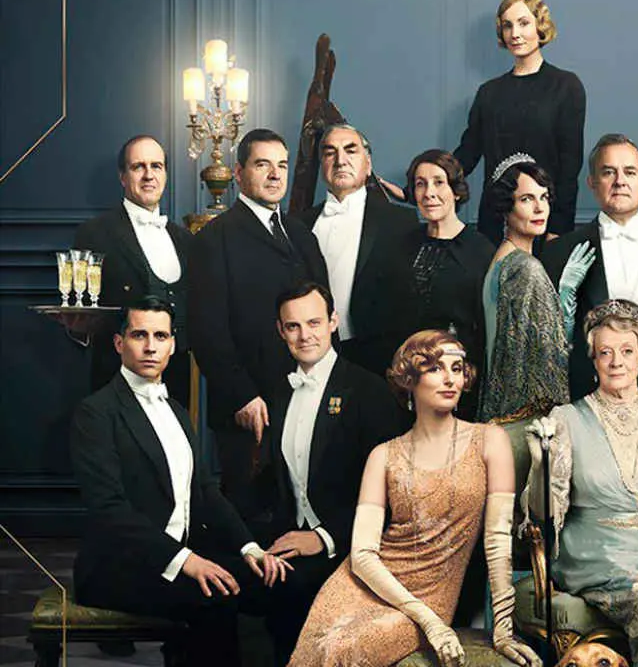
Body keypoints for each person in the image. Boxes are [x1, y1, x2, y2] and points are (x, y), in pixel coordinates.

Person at [289, 330, 541, 667]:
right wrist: (428, 621)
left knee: (344, 649)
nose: (450, 378)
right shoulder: (383, 455)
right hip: (363, 584)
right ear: (409, 379)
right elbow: (362, 555)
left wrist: (504, 630)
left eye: (456, 368)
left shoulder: (489, 441)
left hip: (432, 594)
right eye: (435, 368)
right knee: (323, 646)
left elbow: (497, 542)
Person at [69, 299, 291, 667]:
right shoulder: (95, 413)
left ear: (173, 345)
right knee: (217, 597)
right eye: (139, 335)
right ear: (119, 343)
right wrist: (186, 561)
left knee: (274, 583)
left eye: (160, 336)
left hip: (182, 553)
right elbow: (109, 511)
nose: (150, 346)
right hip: (118, 568)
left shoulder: (176, 411)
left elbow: (204, 491)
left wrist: (249, 547)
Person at [526, 300, 638, 666]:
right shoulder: (566, 419)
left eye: (627, 351)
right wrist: (540, 464)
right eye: (605, 352)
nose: (616, 362)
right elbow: (545, 515)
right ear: (593, 359)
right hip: (594, 550)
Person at [255, 281, 406, 663]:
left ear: (333, 322)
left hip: (351, 546)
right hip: (290, 541)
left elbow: (391, 492)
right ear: (280, 330)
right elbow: (273, 482)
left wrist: (322, 537)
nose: (304, 335)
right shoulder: (279, 390)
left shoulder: (368, 391)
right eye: (293, 326)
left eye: (314, 323)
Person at [189, 128, 329, 520]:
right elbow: (206, 331)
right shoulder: (214, 238)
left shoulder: (300, 232)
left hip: (302, 396)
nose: (275, 174)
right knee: (251, 519)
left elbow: (323, 308)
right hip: (248, 405)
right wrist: (241, 396)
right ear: (238, 173)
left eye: (282, 165)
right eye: (262, 164)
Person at [543, 133, 638, 399]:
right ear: (592, 183)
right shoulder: (560, 252)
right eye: (608, 172)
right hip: (589, 399)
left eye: (630, 172)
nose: (620, 181)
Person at [454, 0, 586, 244]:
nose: (514, 33)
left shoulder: (566, 86)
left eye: (523, 23)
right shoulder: (489, 92)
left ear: (540, 26)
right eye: (507, 25)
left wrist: (558, 228)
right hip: (495, 221)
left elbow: (570, 166)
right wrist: (420, 185)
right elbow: (467, 154)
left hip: (543, 221)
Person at [74, 135, 194, 405]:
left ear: (165, 174)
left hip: (177, 382)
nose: (149, 175)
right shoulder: (95, 234)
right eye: (138, 166)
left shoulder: (185, 239)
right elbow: (80, 310)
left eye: (156, 166)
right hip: (116, 381)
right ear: (123, 177)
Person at [295, 123, 420, 377]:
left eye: (350, 151)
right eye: (330, 152)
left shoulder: (400, 222)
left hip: (377, 363)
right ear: (322, 164)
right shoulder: (299, 225)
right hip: (311, 357)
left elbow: (409, 304)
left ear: (368, 164)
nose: (340, 160)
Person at [479, 157, 582, 422]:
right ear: (506, 207)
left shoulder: (503, 258)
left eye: (543, 197)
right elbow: (547, 354)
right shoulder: (525, 268)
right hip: (523, 417)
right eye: (526, 199)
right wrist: (565, 308)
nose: (539, 208)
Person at [403, 148, 496, 421]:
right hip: (411, 380)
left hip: (460, 381)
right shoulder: (403, 244)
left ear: (456, 191)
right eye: (420, 184)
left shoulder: (480, 250)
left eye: (438, 182)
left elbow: (488, 328)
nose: (429, 193)